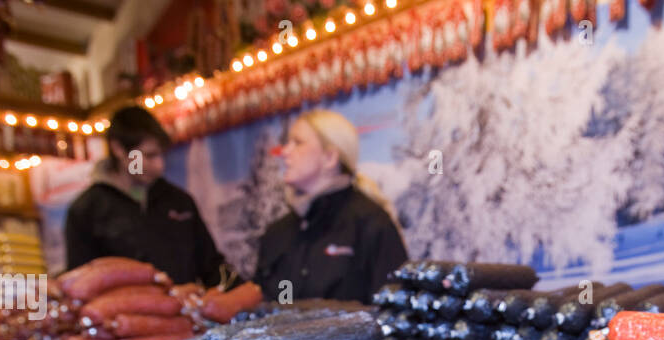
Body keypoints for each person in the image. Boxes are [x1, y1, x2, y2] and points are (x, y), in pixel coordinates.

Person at [64, 106, 235, 287]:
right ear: (118, 149)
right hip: (121, 314)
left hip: (185, 311)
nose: (159, 165)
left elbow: (211, 266)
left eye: (162, 155)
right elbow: (80, 283)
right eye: (149, 156)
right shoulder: (86, 210)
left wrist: (242, 294)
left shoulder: (180, 201)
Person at [252, 110, 409, 306]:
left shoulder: (371, 224)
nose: (284, 152)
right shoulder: (277, 233)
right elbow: (262, 310)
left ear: (330, 157)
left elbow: (395, 310)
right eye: (287, 143)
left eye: (298, 143)